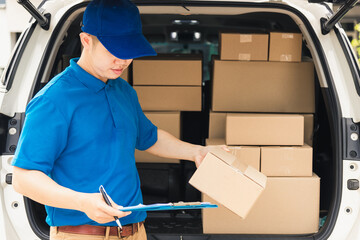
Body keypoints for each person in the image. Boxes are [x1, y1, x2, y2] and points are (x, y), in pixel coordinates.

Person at [11, 0, 226, 239]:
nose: (123, 60)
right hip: (83, 234)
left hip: (135, 231)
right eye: (115, 50)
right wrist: (82, 202)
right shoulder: (54, 100)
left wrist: (196, 152)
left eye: (130, 51)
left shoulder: (123, 90)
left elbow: (149, 138)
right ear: (86, 41)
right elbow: (24, 178)